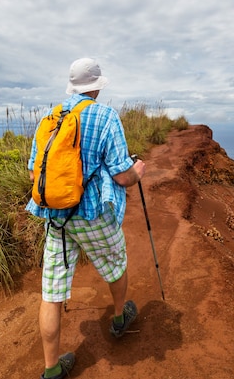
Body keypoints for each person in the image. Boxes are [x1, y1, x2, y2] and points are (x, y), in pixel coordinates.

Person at [26, 58, 146, 379]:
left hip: (56, 218)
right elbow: (122, 176)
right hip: (92, 213)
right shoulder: (106, 116)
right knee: (115, 263)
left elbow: (33, 169)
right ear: (96, 85)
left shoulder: (49, 117)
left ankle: (51, 370)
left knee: (51, 293)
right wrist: (138, 171)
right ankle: (120, 318)